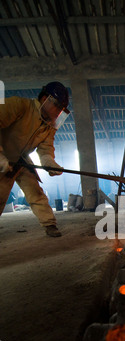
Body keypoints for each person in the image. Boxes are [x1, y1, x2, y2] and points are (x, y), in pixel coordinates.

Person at [0, 81, 70, 237]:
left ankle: (49, 224)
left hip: (21, 160)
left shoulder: (50, 125)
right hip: (4, 156)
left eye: (61, 109)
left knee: (36, 192)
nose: (59, 112)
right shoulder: (20, 106)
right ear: (45, 98)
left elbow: (45, 148)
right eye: (57, 106)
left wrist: (48, 162)